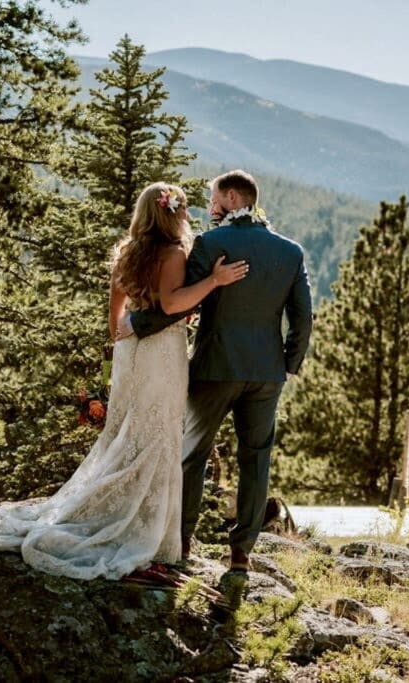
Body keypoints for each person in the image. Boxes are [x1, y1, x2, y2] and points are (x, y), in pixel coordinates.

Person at [0, 182, 249, 580]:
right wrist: (213, 281)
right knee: (158, 433)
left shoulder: (127, 252)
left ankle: (114, 507)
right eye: (181, 209)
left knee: (125, 431)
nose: (185, 215)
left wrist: (123, 340)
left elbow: (115, 318)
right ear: (170, 213)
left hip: (129, 352)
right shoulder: (173, 253)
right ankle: (151, 531)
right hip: (161, 351)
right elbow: (171, 304)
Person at [119, 169, 312, 583]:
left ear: (232, 198)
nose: (209, 207)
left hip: (214, 366)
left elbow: (180, 305)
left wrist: (137, 324)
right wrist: (288, 365)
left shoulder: (211, 244)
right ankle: (240, 554)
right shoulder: (291, 251)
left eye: (214, 198)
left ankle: (181, 543)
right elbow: (303, 317)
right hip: (267, 373)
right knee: (256, 458)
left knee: (193, 455)